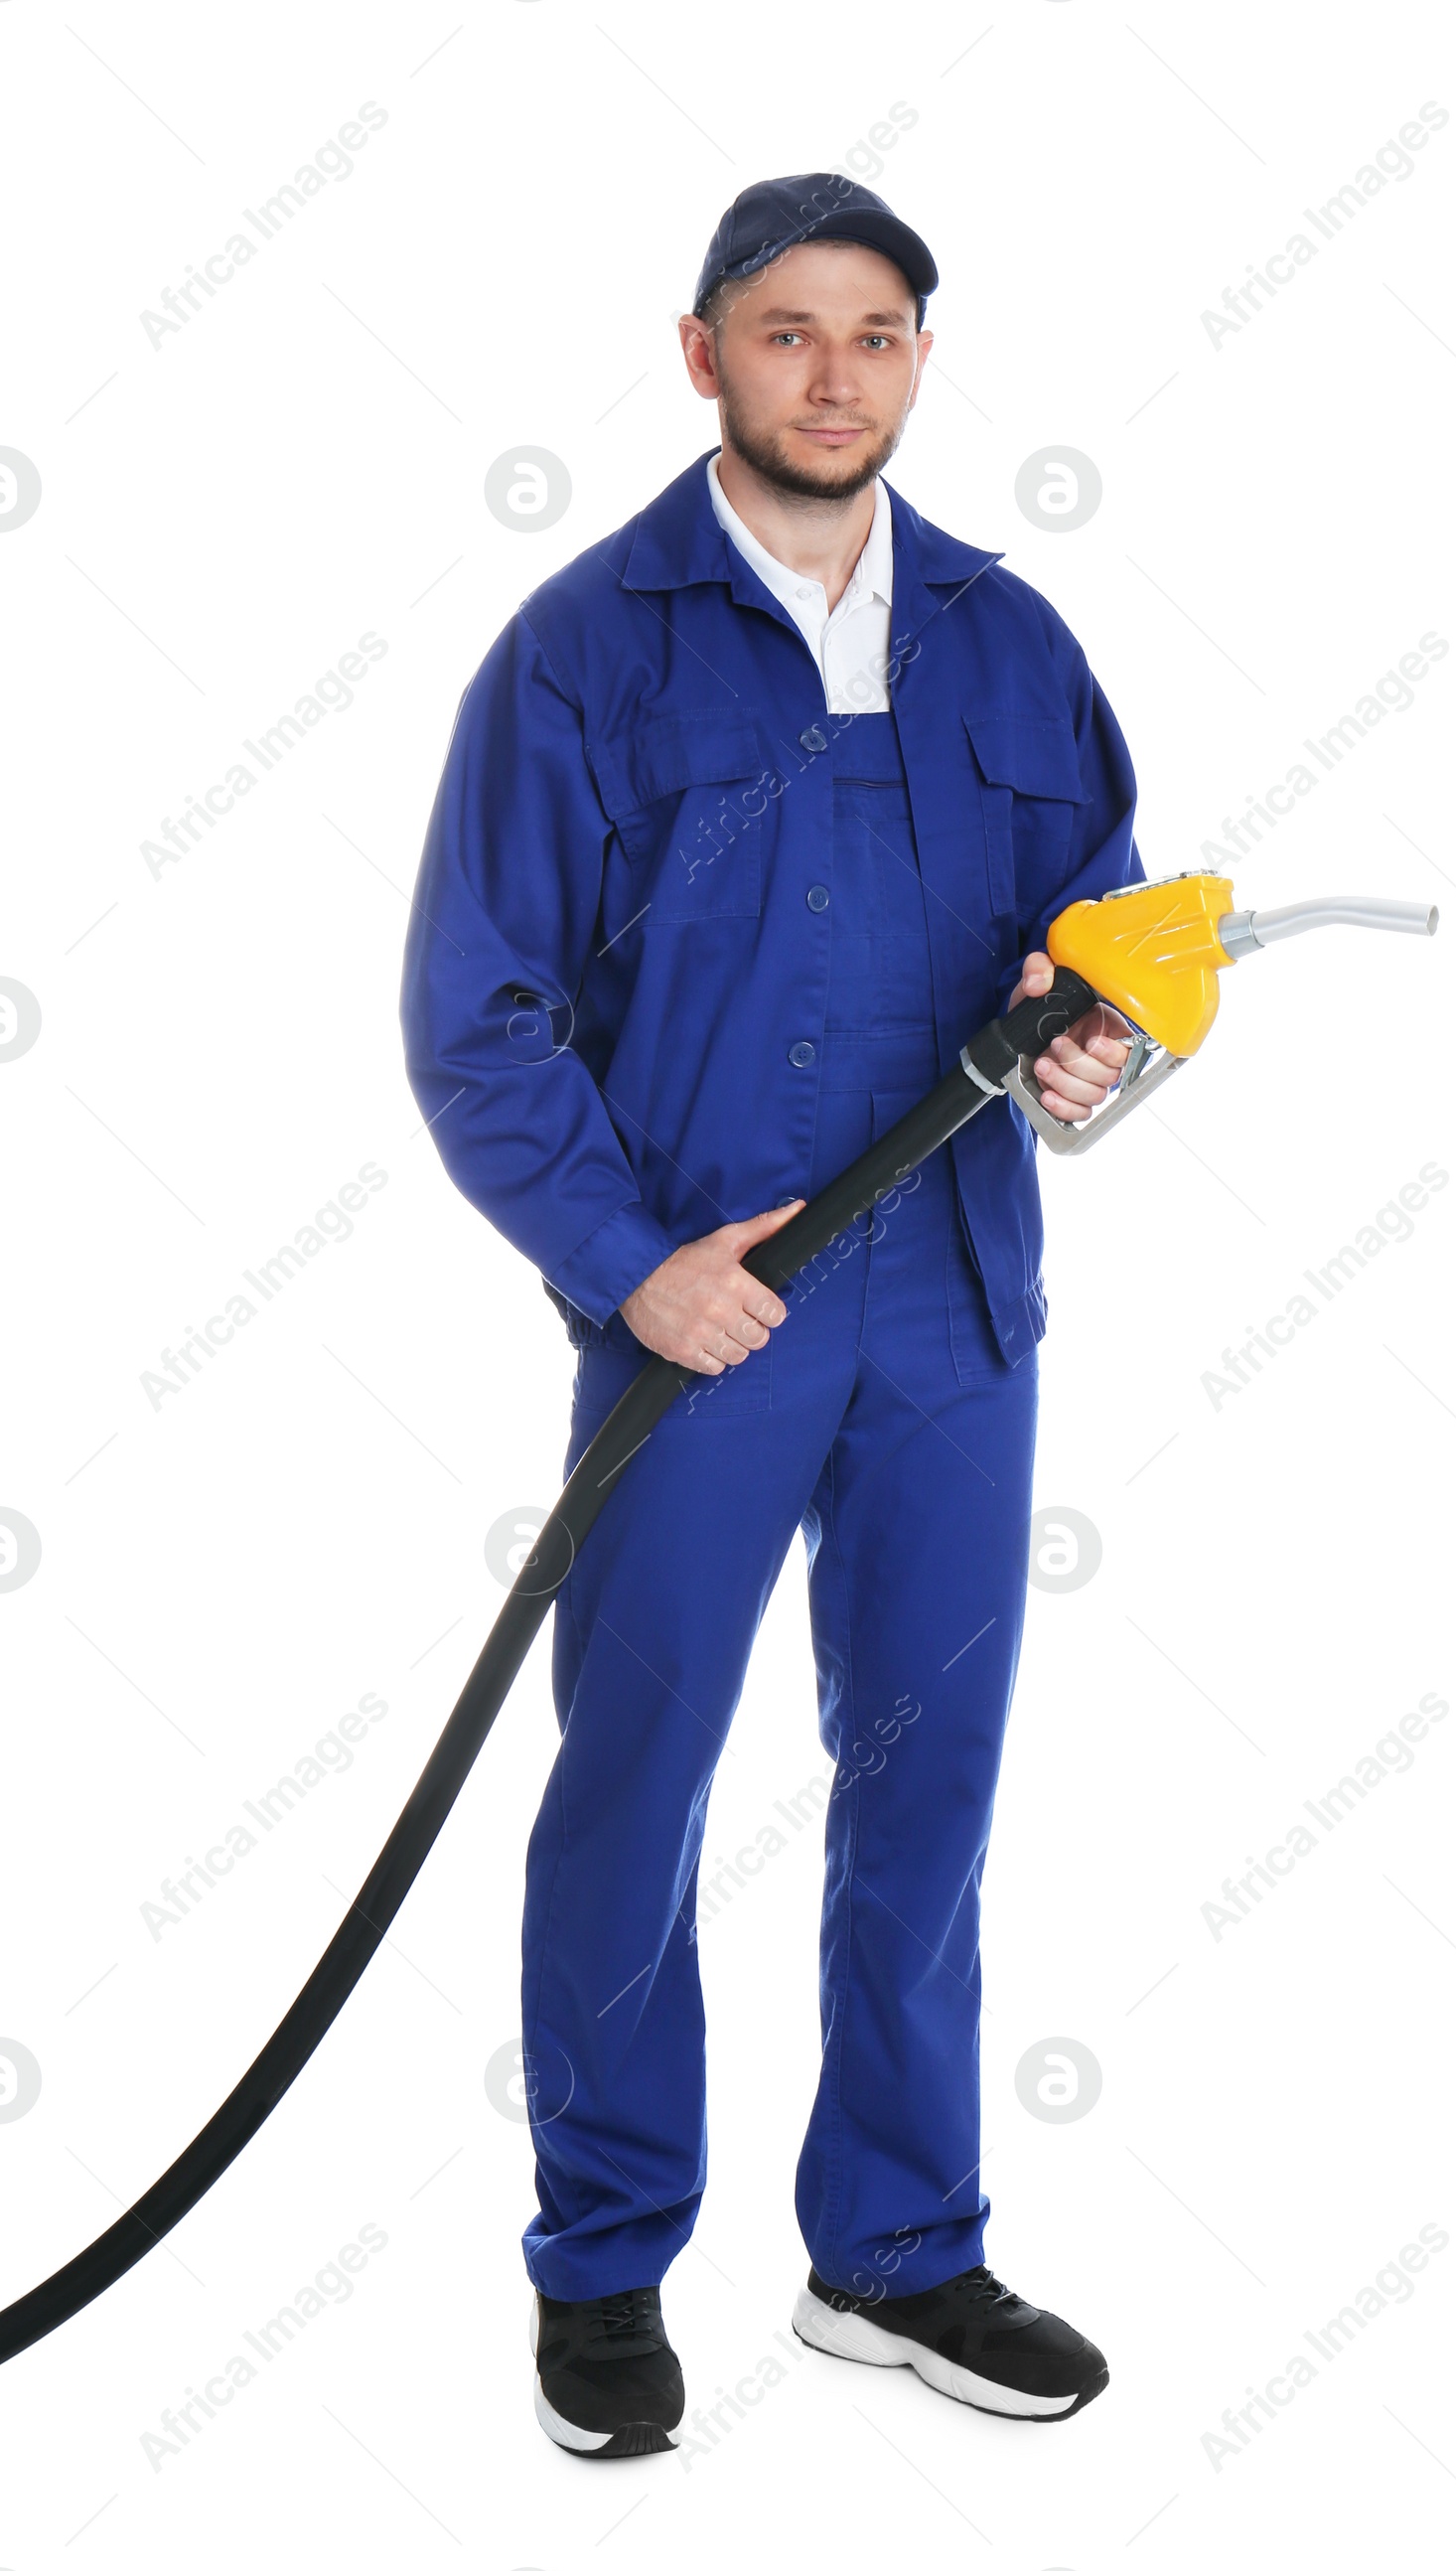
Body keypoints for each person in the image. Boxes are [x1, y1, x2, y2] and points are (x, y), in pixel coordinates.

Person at [401, 174, 1140, 2459]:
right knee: (634, 1781)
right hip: (701, 1315)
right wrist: (635, 1266)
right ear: (701, 352)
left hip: (948, 1313)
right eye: (788, 334)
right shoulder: (584, 647)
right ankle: (605, 2257)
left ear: (921, 360)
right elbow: (479, 1015)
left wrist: (1111, 1036)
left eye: (879, 335)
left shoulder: (1007, 638)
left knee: (927, 1782)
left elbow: (1102, 928)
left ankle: (896, 2248)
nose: (837, 376)